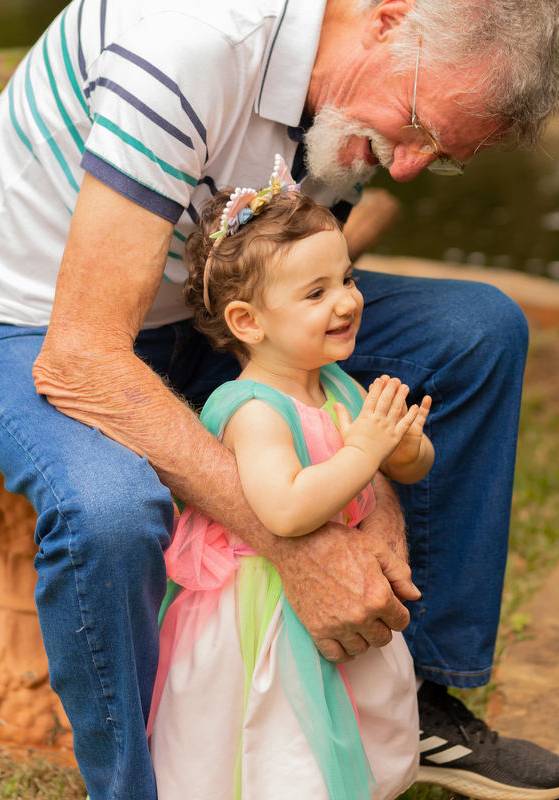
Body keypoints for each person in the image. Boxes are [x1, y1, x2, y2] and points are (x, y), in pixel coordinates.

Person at [0, 0, 559, 798]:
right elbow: (83, 357)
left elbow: (295, 310)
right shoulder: (195, 40)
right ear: (388, 20)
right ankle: (132, 787)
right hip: (24, 323)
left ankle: (413, 692)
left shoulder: (344, 106)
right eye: (418, 125)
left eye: (440, 156)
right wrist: (304, 546)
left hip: (201, 311)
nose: (405, 167)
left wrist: (378, 498)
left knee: (477, 332)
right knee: (113, 511)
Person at [149, 160, 430, 799]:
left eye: (347, 279)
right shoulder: (253, 409)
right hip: (264, 611)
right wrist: (364, 447)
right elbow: (287, 510)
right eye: (316, 293)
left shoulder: (335, 384)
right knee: (280, 751)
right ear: (250, 323)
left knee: (355, 728)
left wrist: (405, 445)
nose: (348, 301)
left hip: (332, 596)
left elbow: (406, 468)